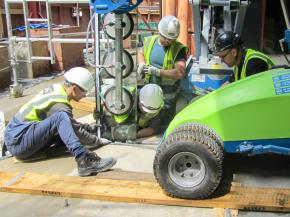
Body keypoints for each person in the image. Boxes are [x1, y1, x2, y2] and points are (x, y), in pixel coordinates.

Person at [4, 67, 116, 177]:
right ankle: (83, 160)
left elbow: (70, 125)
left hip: (19, 137)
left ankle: (79, 153)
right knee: (61, 118)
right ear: (74, 88)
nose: (84, 95)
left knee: (65, 128)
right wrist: (97, 141)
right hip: (18, 142)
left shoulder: (57, 90)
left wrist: (92, 129)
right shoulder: (59, 105)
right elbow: (74, 130)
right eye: (84, 91)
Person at [137, 15, 188, 127]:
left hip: (167, 99)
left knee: (163, 126)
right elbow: (141, 52)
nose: (168, 41)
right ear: (158, 31)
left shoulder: (178, 49)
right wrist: (141, 63)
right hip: (149, 93)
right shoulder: (149, 41)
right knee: (144, 119)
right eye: (165, 37)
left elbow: (179, 72)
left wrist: (157, 72)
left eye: (171, 39)